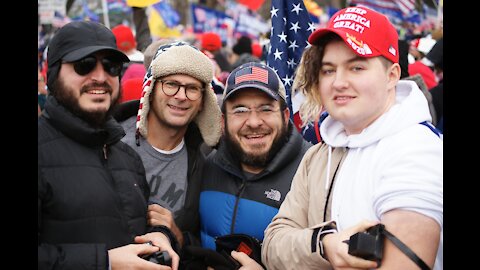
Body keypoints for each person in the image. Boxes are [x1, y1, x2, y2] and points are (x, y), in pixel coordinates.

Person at [262, 6, 442, 270]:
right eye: (328, 70)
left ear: (392, 76)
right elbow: (273, 243)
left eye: (356, 67)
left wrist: (305, 247)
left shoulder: (416, 150)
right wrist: (323, 244)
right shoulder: (318, 155)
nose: (338, 82)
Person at [38, 20, 180, 269]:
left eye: (111, 66)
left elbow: (134, 227)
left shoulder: (126, 156)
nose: (100, 77)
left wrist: (160, 235)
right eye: (85, 65)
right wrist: (105, 263)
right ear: (53, 74)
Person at [185, 62, 311, 269]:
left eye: (266, 109)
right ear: (223, 121)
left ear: (285, 116)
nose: (253, 122)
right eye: (240, 110)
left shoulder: (312, 171)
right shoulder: (205, 164)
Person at [113, 41, 222, 252]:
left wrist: (177, 236)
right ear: (151, 89)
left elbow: (196, 240)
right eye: (171, 84)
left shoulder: (204, 161)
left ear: (202, 101)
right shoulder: (110, 142)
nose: (181, 96)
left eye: (192, 88)